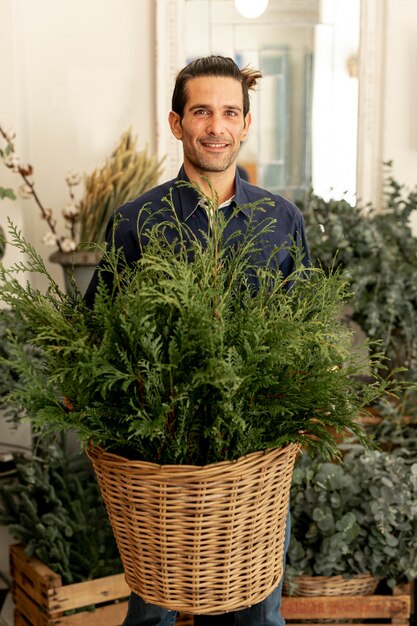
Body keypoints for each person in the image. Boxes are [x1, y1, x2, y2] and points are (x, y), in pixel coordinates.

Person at [85, 55, 310, 626]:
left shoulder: (281, 219)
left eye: (229, 112)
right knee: (153, 617)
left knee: (258, 618)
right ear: (176, 121)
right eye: (202, 111)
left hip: (254, 465)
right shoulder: (137, 220)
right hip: (164, 469)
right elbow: (97, 330)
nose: (216, 125)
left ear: (246, 123)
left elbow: (307, 328)